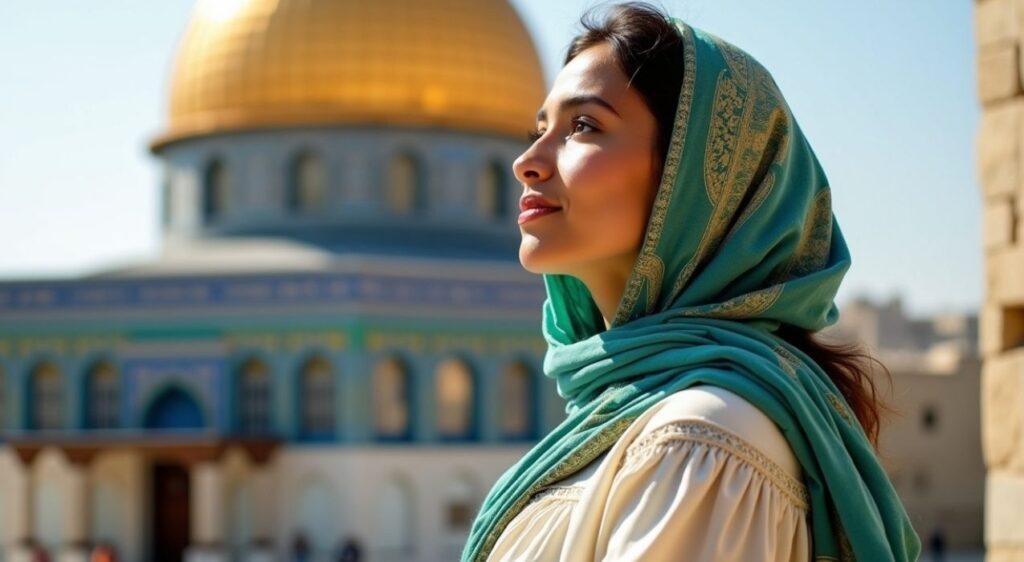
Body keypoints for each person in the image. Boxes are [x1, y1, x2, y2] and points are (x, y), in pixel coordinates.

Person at [461, 3, 920, 562]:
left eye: (583, 126)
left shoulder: (699, 442)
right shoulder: (627, 418)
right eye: (539, 129)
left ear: (694, 178)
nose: (527, 162)